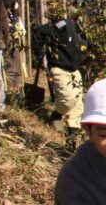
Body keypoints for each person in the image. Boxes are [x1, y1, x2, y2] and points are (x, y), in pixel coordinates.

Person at [32, 16, 89, 151]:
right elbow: (39, 32)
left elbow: (83, 46)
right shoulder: (61, 24)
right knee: (68, 99)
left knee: (77, 105)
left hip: (74, 70)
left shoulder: (78, 28)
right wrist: (39, 52)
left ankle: (72, 139)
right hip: (59, 68)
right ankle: (57, 115)